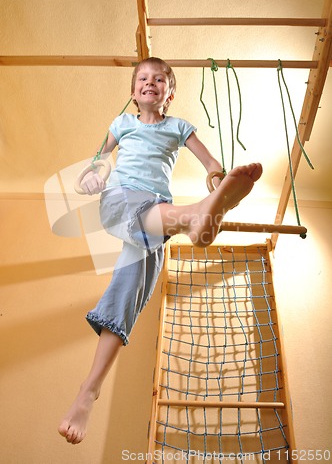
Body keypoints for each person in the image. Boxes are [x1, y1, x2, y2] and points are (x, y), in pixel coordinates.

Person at [58, 57, 262, 444]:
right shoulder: (122, 125)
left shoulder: (179, 127)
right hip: (121, 201)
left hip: (156, 219)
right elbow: (102, 160)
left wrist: (218, 180)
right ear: (133, 92)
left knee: (128, 294)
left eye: (159, 79)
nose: (149, 83)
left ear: (170, 93)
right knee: (171, 218)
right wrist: (93, 177)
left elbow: (211, 163)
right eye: (142, 79)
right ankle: (197, 218)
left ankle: (89, 390)